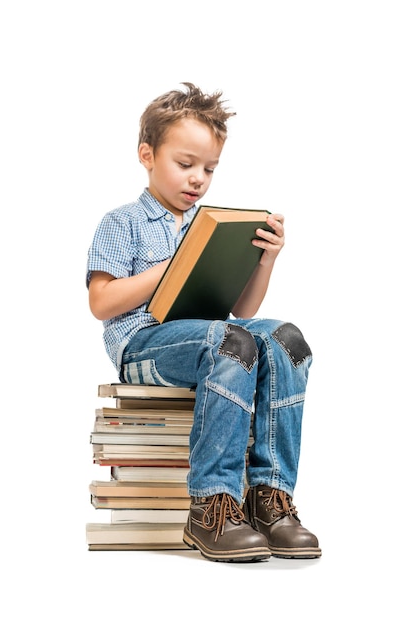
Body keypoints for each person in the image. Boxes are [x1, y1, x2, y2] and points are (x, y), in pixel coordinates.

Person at [86, 82, 321, 563]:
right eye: (185, 164)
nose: (198, 179)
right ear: (147, 155)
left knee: (284, 339)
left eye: (209, 168)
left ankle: (269, 500)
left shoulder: (209, 222)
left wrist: (266, 260)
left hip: (215, 338)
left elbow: (246, 312)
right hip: (144, 345)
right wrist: (168, 271)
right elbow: (101, 302)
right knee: (229, 343)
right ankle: (211, 505)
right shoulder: (122, 222)